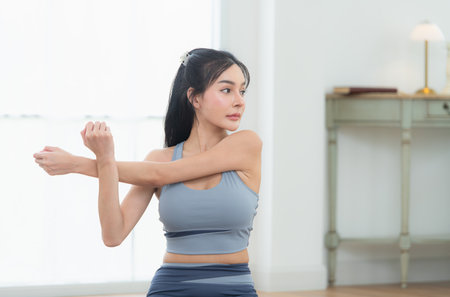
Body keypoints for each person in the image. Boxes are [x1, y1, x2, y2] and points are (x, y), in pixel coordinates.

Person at [33, 48, 262, 297]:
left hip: (233, 286)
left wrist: (79, 164)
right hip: (172, 287)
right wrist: (104, 159)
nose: (239, 101)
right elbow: (113, 235)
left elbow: (160, 175)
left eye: (242, 91)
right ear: (195, 98)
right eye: (227, 90)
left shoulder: (246, 145)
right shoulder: (158, 160)